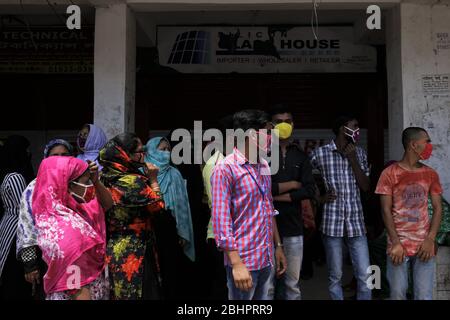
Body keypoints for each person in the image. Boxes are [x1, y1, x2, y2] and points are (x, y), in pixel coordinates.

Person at [211, 109, 287, 300]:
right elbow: (221, 221)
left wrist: (277, 246)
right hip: (244, 262)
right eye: (268, 132)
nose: (271, 137)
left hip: (265, 258)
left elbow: (268, 209)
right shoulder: (225, 169)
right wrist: (236, 264)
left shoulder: (264, 165)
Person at [375, 127, 443, 300]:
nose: (430, 145)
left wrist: (430, 239)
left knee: (424, 296)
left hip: (424, 246)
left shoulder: (430, 174)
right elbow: (385, 210)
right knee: (397, 294)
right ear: (414, 145)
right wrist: (396, 243)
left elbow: (437, 208)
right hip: (398, 246)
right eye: (426, 141)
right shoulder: (390, 174)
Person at [32, 156, 113, 300]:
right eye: (85, 181)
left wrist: (95, 181)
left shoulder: (51, 218)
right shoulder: (69, 232)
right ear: (67, 185)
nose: (89, 186)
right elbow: (75, 285)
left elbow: (106, 204)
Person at [309, 115, 372, 300]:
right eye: (355, 126)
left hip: (356, 223)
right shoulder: (320, 154)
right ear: (342, 128)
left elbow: (366, 186)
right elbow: (304, 177)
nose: (358, 129)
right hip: (332, 222)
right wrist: (319, 198)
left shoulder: (359, 153)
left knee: (365, 274)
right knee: (335, 275)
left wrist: (352, 159)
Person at [100, 133, 164, 300]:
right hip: (137, 249)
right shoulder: (132, 182)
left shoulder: (103, 178)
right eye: (140, 151)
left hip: (114, 247)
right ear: (124, 155)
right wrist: (154, 180)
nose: (143, 155)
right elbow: (158, 207)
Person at [269, 104, 316, 300]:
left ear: (293, 124)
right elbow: (263, 189)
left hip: (294, 228)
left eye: (287, 121)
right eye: (279, 122)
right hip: (267, 230)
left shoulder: (301, 156)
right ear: (271, 126)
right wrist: (293, 184)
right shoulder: (262, 155)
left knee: (292, 285)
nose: (283, 125)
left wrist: (274, 196)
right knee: (268, 286)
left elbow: (309, 190)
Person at [16, 139, 73, 300]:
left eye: (64, 154)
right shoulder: (34, 187)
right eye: (55, 155)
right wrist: (30, 265)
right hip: (46, 258)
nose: (60, 158)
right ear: (45, 159)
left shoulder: (78, 182)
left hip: (76, 257)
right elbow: (27, 226)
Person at [145, 136, 195, 299]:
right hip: (149, 228)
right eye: (162, 149)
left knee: (171, 271)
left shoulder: (175, 174)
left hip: (171, 229)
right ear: (151, 150)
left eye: (168, 149)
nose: (166, 153)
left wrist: (183, 232)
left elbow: (183, 208)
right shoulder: (142, 173)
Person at [202, 115, 233, 300]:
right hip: (222, 235)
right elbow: (220, 207)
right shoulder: (217, 164)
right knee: (224, 287)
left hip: (232, 235)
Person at [0, 135, 34, 299]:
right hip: (16, 227)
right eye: (26, 150)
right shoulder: (15, 176)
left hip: (10, 223)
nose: (29, 153)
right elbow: (23, 206)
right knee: (13, 275)